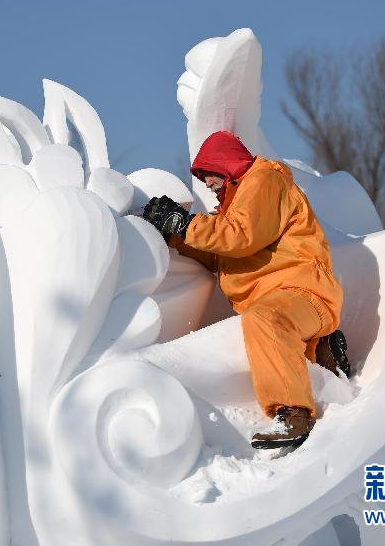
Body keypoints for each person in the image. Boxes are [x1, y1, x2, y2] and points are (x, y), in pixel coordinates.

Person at [143, 130, 350, 449]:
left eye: (210, 177)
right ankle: (324, 353)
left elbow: (241, 236)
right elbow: (219, 253)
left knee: (264, 319)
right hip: (281, 301)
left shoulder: (264, 179)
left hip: (303, 293)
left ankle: (293, 412)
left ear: (224, 165)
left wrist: (185, 223)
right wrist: (174, 235)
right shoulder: (234, 206)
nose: (209, 187)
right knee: (266, 319)